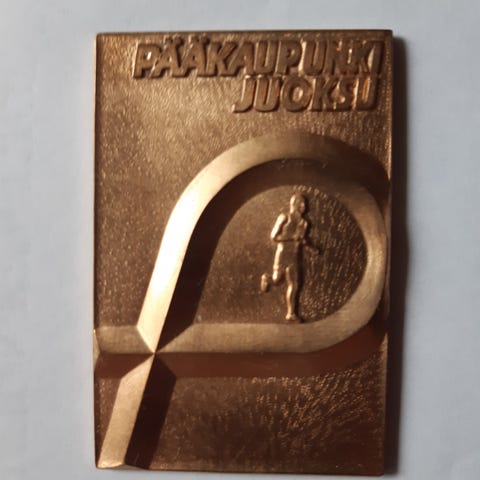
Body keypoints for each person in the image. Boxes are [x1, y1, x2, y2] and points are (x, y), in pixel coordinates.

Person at [260, 193, 319, 323]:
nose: (304, 206)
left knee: (294, 284)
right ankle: (267, 278)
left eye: (304, 204)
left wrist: (312, 248)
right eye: (301, 203)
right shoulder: (284, 217)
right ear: (295, 204)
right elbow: (274, 236)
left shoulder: (304, 223)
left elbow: (302, 239)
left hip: (294, 256)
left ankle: (291, 313)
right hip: (282, 254)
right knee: (277, 280)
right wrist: (291, 238)